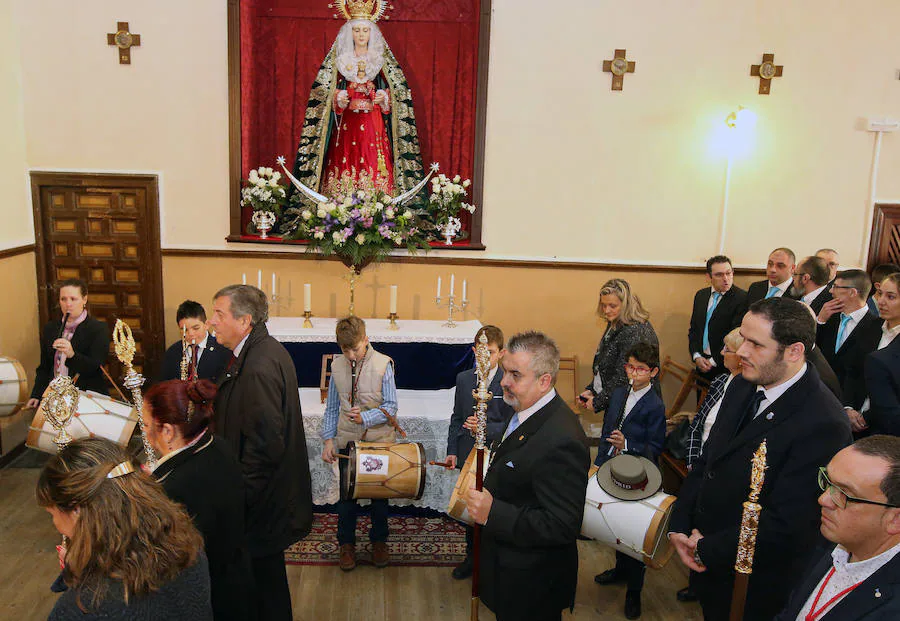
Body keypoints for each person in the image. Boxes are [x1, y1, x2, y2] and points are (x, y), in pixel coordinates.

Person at [669, 297, 852, 621]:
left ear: (794, 351)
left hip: (759, 584)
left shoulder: (823, 421)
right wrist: (680, 525)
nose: (741, 352)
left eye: (756, 344)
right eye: (743, 338)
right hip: (710, 561)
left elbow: (789, 524)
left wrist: (707, 547)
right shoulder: (742, 384)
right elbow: (710, 462)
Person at [465, 331, 590, 621]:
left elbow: (561, 525)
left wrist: (492, 513)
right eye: (506, 371)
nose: (504, 382)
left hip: (533, 584)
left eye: (515, 375)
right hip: (510, 569)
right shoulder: (526, 409)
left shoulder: (562, 439)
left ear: (544, 381)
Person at [208, 284, 312, 621]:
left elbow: (265, 445)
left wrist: (240, 498)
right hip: (264, 497)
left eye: (219, 315)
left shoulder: (258, 366)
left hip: (259, 501)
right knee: (266, 581)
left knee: (260, 586)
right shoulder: (261, 351)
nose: (212, 322)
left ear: (245, 320)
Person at [37, 437, 212, 620]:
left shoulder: (82, 609)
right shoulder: (189, 548)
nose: (55, 523)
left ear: (76, 510)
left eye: (53, 514)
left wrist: (82, 581)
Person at [143, 379, 253, 621]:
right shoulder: (218, 446)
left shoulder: (171, 489)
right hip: (238, 581)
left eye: (147, 424)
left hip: (205, 599)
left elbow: (160, 565)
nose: (145, 432)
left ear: (168, 431)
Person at [290, 11, 424, 199]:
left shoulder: (380, 60)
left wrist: (383, 96)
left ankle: (377, 202)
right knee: (346, 155)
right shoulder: (342, 60)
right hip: (347, 123)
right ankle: (340, 203)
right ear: (349, 33)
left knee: (372, 157)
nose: (361, 35)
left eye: (365, 30)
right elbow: (324, 90)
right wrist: (338, 97)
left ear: (372, 33)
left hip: (373, 121)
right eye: (357, 30)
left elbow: (397, 90)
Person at [775, 435, 900, 620]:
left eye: (845, 495)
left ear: (895, 519)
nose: (823, 500)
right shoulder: (829, 540)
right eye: (828, 482)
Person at [593, 342, 666, 619]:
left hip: (639, 473)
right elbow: (606, 430)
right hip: (612, 466)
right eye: (630, 367)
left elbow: (656, 446)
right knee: (615, 523)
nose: (633, 373)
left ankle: (634, 590)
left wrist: (628, 444)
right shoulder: (620, 393)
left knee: (633, 531)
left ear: (653, 372)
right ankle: (620, 569)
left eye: (640, 369)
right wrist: (600, 460)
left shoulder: (655, 405)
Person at [320, 316, 398, 571]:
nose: (351, 355)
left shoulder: (383, 364)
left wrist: (366, 416)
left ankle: (378, 541)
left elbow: (391, 407)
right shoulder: (338, 366)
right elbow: (332, 407)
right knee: (346, 497)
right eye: (345, 350)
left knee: (378, 496)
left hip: (377, 441)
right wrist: (328, 440)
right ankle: (346, 544)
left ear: (366, 339)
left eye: (355, 348)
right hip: (348, 440)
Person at [444, 324, 514, 580]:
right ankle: (471, 558)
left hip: (495, 454)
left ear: (501, 353)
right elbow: (456, 417)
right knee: (470, 510)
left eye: (492, 353)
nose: (485, 358)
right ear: (474, 351)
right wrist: (452, 450)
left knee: (492, 510)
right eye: (480, 352)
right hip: (467, 452)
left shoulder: (507, 382)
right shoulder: (464, 379)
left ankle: (492, 563)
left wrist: (485, 427)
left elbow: (511, 423)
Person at [579, 278, 659, 414]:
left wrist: (598, 402)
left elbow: (623, 376)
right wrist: (592, 389)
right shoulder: (617, 321)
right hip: (618, 400)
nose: (606, 310)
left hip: (632, 408)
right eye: (603, 305)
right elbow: (605, 362)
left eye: (612, 306)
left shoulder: (636, 331)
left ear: (626, 304)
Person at [816, 269, 882, 434]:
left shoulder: (877, 327)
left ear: (852, 292)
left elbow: (865, 374)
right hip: (819, 398)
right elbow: (812, 353)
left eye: (836, 287)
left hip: (851, 410)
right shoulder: (828, 317)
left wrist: (849, 406)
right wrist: (820, 320)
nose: (831, 291)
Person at [27, 279, 110, 409]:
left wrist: (72, 355)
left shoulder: (98, 329)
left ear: (84, 299)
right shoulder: (51, 328)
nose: (68, 304)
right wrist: (36, 394)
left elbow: (95, 367)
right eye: (63, 299)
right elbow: (44, 367)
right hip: (56, 399)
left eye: (73, 299)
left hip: (86, 398)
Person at [688, 255, 748, 381]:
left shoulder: (741, 298)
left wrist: (713, 361)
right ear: (709, 277)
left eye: (728, 273)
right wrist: (696, 355)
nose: (725, 279)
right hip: (701, 362)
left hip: (724, 366)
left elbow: (736, 336)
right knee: (702, 401)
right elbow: (694, 329)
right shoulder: (701, 296)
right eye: (719, 275)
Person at [860, 273, 900, 436]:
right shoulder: (868, 327)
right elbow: (852, 371)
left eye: (891, 297)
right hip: (854, 415)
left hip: (887, 428)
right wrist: (847, 408)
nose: (881, 301)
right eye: (880, 294)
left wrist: (866, 417)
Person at [159, 300, 232, 382]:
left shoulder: (223, 350)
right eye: (185, 330)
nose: (190, 333)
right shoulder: (173, 352)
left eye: (196, 328)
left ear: (207, 325)